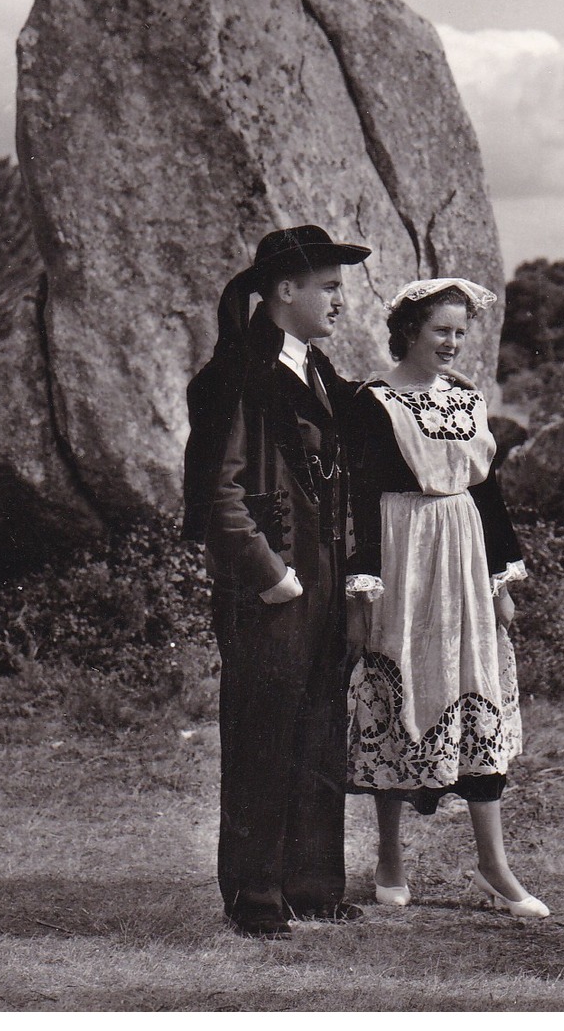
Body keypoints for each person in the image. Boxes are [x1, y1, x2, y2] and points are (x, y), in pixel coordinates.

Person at [182, 225, 372, 939]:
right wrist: (270, 576)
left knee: (321, 733)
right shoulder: (235, 374)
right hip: (273, 590)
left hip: (322, 586)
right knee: (263, 737)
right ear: (284, 291)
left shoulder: (315, 369)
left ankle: (314, 886)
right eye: (328, 287)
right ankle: (256, 897)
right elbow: (218, 496)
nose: (339, 302)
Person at [341, 278, 548, 920]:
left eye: (461, 331)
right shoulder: (373, 401)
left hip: (462, 553)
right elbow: (360, 498)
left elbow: (487, 495)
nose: (454, 343)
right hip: (403, 551)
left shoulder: (466, 400)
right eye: (441, 331)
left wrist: (498, 584)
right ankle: (389, 859)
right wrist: (363, 587)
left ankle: (493, 867)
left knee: (476, 686)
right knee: (399, 681)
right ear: (409, 331)